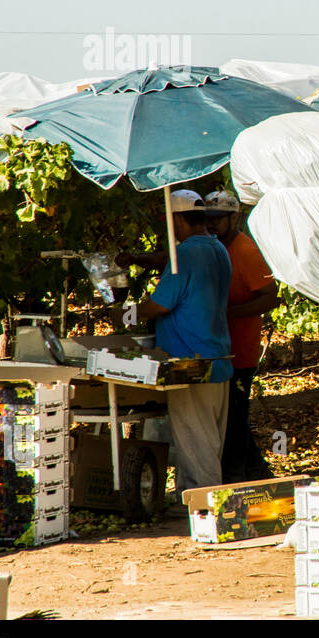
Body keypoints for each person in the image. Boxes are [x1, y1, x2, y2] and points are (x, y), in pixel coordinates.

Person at [119, 189, 234, 497]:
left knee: (196, 442)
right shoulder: (218, 249)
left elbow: (159, 305)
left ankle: (208, 505)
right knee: (206, 439)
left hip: (190, 362)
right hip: (218, 357)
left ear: (179, 220)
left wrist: (125, 313)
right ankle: (191, 497)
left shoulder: (184, 254)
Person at [204, 189, 278, 483]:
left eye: (217, 219)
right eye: (207, 219)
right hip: (219, 347)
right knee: (232, 417)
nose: (211, 224)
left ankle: (236, 478)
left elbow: (271, 297)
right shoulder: (214, 247)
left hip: (241, 351)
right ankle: (258, 473)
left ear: (235, 217)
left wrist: (230, 313)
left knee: (234, 417)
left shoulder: (246, 251)